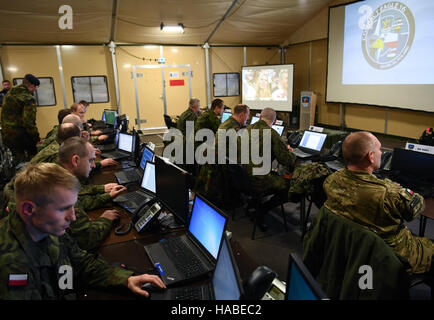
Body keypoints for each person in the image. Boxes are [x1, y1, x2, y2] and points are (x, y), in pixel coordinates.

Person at [0, 162, 165, 299]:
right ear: (29, 209)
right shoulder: (12, 265)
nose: (72, 217)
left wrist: (127, 279)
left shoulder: (46, 227)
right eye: (64, 209)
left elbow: (81, 263)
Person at [323, 131, 433, 275]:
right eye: (379, 149)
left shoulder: (331, 180)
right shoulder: (389, 194)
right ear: (371, 156)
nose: (381, 153)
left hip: (349, 247)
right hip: (390, 255)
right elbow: (415, 210)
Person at [243, 107, 296, 230]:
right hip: (259, 180)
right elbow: (286, 160)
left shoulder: (248, 129)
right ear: (275, 121)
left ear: (260, 117)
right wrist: (289, 152)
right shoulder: (272, 134)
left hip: (244, 176)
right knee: (291, 188)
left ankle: (253, 204)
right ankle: (261, 210)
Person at [0, 74, 41, 166]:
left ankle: (17, 178)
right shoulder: (28, 98)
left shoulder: (10, 93)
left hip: (7, 135)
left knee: (17, 161)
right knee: (32, 162)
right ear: (32, 85)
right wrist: (36, 138)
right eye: (35, 87)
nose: (35, 90)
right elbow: (29, 122)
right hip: (21, 137)